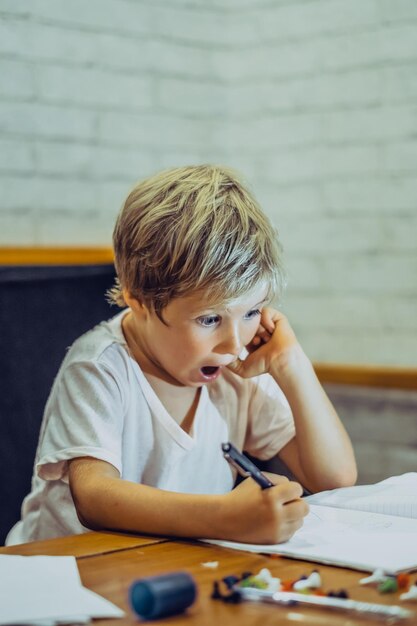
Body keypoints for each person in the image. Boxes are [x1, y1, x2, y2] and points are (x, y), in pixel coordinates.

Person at [6, 165, 357, 546]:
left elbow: (334, 478)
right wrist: (225, 517)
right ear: (138, 301)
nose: (234, 343)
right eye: (209, 319)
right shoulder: (99, 366)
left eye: (252, 312)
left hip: (169, 572)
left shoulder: (239, 368)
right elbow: (94, 498)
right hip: (63, 574)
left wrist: (292, 364)